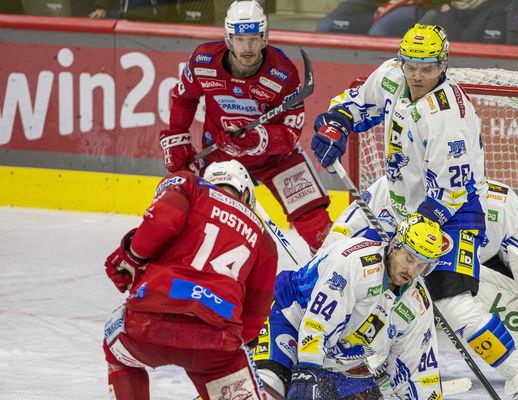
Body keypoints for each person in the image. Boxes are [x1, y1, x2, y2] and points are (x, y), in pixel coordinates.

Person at [309, 23, 518, 399]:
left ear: (443, 65)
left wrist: (411, 240)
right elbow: (356, 103)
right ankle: (353, 360)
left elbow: (451, 192)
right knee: (349, 263)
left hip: (453, 213)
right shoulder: (392, 76)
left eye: (428, 68)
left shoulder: (448, 118)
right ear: (401, 61)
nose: (418, 76)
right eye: (412, 66)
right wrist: (335, 125)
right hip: (397, 200)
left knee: (451, 302)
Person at [322, 176, 518, 391]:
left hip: (483, 268)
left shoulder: (497, 201)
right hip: (411, 265)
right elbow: (342, 237)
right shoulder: (390, 187)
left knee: (452, 303)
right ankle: (374, 357)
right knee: (374, 281)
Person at [162, 0, 332, 253]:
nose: (248, 47)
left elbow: (290, 134)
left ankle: (331, 266)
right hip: (221, 158)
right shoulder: (204, 60)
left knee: (316, 224)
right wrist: (177, 137)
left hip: (276, 159)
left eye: (254, 39)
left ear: (265, 38)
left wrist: (255, 138)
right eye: (240, 39)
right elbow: (184, 99)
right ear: (228, 39)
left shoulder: (282, 72)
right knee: (214, 225)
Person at [101, 160, 278, 399]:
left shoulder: (191, 184)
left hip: (148, 326)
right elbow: (254, 319)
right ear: (246, 194)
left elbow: (161, 222)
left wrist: (132, 257)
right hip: (216, 342)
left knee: (114, 342)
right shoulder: (264, 239)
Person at [254, 214, 445, 399]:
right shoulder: (355, 265)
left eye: (421, 265)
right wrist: (308, 371)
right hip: (289, 317)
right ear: (394, 246)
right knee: (270, 387)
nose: (411, 270)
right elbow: (316, 324)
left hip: (339, 356)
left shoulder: (417, 303)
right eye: (409, 258)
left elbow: (418, 371)